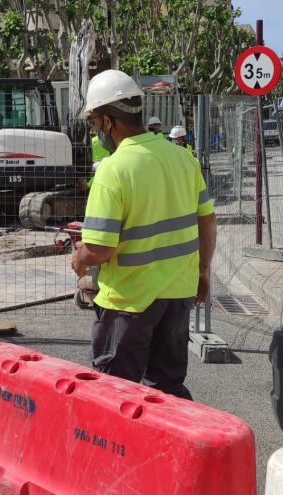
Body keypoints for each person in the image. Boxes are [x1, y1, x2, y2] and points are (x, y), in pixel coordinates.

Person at [70, 69, 217, 400]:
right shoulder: (182, 158)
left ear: (108, 122)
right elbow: (207, 221)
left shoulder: (113, 169)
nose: (95, 131)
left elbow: (98, 250)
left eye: (94, 123)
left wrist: (80, 258)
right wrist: (202, 271)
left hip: (129, 301)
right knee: (166, 392)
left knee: (114, 394)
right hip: (178, 295)